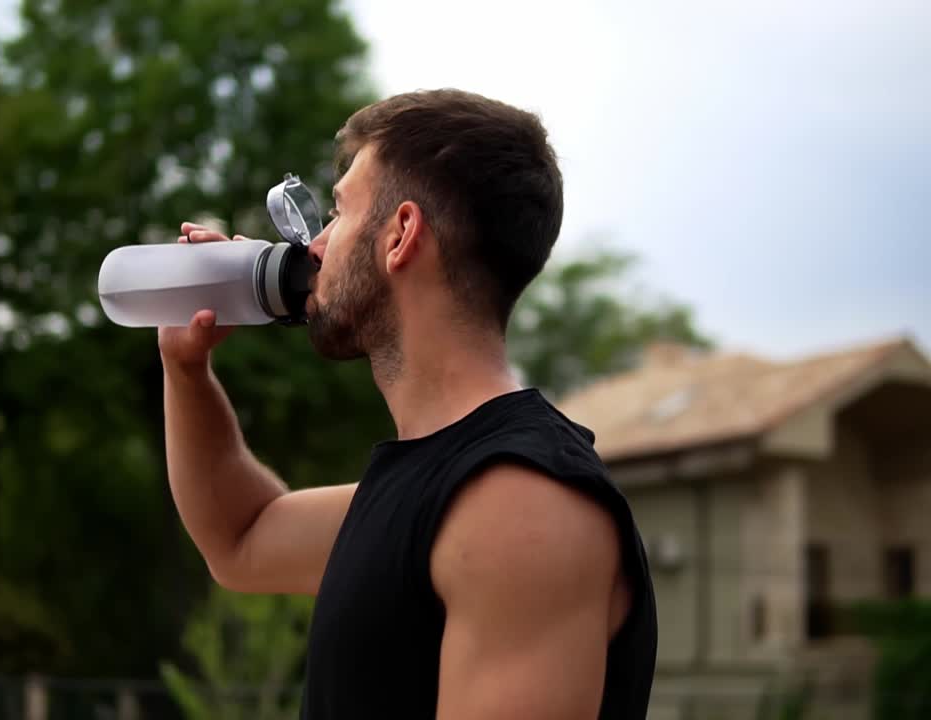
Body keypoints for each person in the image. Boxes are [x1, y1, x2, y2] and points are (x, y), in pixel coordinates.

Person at [158, 89, 657, 719]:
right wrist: (186, 366)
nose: (315, 246)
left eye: (337, 213)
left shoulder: (519, 502)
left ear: (400, 236)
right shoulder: (442, 487)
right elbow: (241, 539)